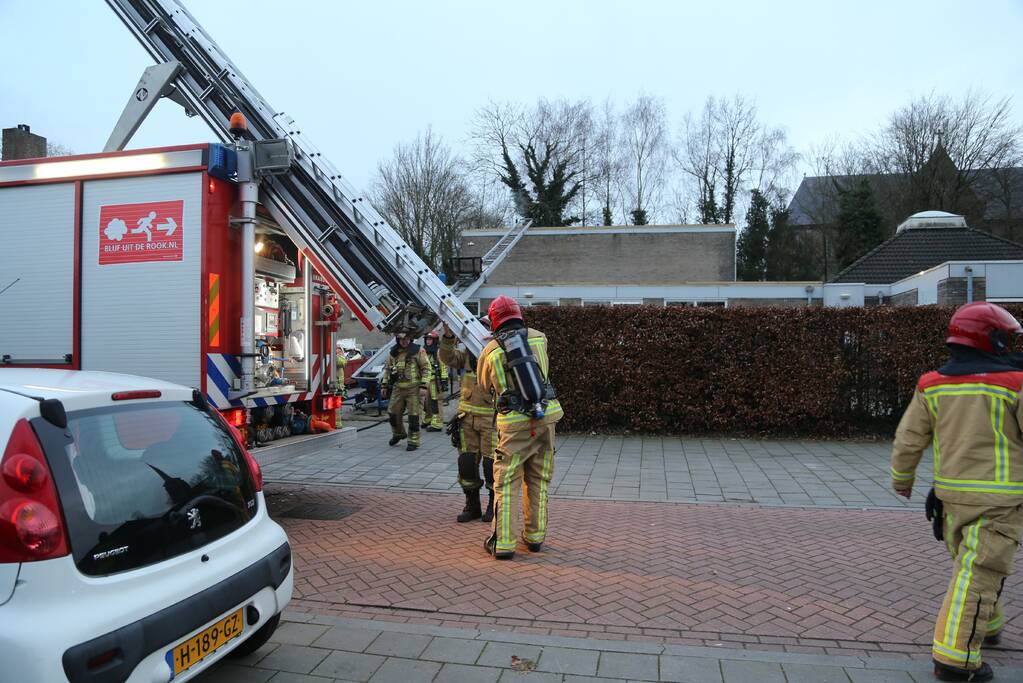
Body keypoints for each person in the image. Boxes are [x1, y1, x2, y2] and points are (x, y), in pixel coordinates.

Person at [891, 302, 1023, 683]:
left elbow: (909, 439)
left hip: (950, 501)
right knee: (980, 572)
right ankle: (955, 660)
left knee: (973, 570)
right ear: (993, 339)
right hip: (999, 502)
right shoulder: (1015, 384)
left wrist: (902, 479)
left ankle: (989, 626)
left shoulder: (932, 384)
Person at [476, 295, 563, 559]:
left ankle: (503, 543)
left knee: (507, 482)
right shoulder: (540, 337)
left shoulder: (490, 350)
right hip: (546, 417)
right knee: (538, 479)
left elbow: (483, 386)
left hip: (513, 425)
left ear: (494, 320)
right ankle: (535, 538)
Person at [440, 320, 496, 523]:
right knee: (466, 464)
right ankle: (472, 506)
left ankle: (494, 505)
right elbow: (447, 357)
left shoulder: (498, 354)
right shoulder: (467, 355)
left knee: (492, 465)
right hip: (466, 419)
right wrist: (448, 338)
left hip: (492, 421)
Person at [382, 332, 431, 452]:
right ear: (397, 340)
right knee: (392, 413)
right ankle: (398, 434)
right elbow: (387, 370)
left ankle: (413, 440)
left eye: (407, 338)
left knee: (414, 416)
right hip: (398, 388)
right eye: (401, 339)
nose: (404, 341)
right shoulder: (393, 353)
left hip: (414, 389)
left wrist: (424, 386)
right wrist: (384, 385)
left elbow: (426, 368)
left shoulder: (418, 351)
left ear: (410, 339)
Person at [422, 331, 445, 432]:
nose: (428, 341)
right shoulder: (423, 351)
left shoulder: (438, 352)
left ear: (434, 340)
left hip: (436, 381)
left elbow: (443, 366)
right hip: (426, 381)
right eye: (427, 339)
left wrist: (444, 380)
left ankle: (437, 424)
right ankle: (428, 419)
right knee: (426, 402)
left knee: (436, 402)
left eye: (430, 339)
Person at [335, 340, 348, 427]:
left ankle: (337, 423)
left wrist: (334, 356)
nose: (338, 352)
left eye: (339, 351)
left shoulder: (342, 358)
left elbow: (340, 363)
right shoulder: (335, 357)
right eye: (336, 350)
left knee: (337, 405)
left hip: (339, 386)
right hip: (334, 385)